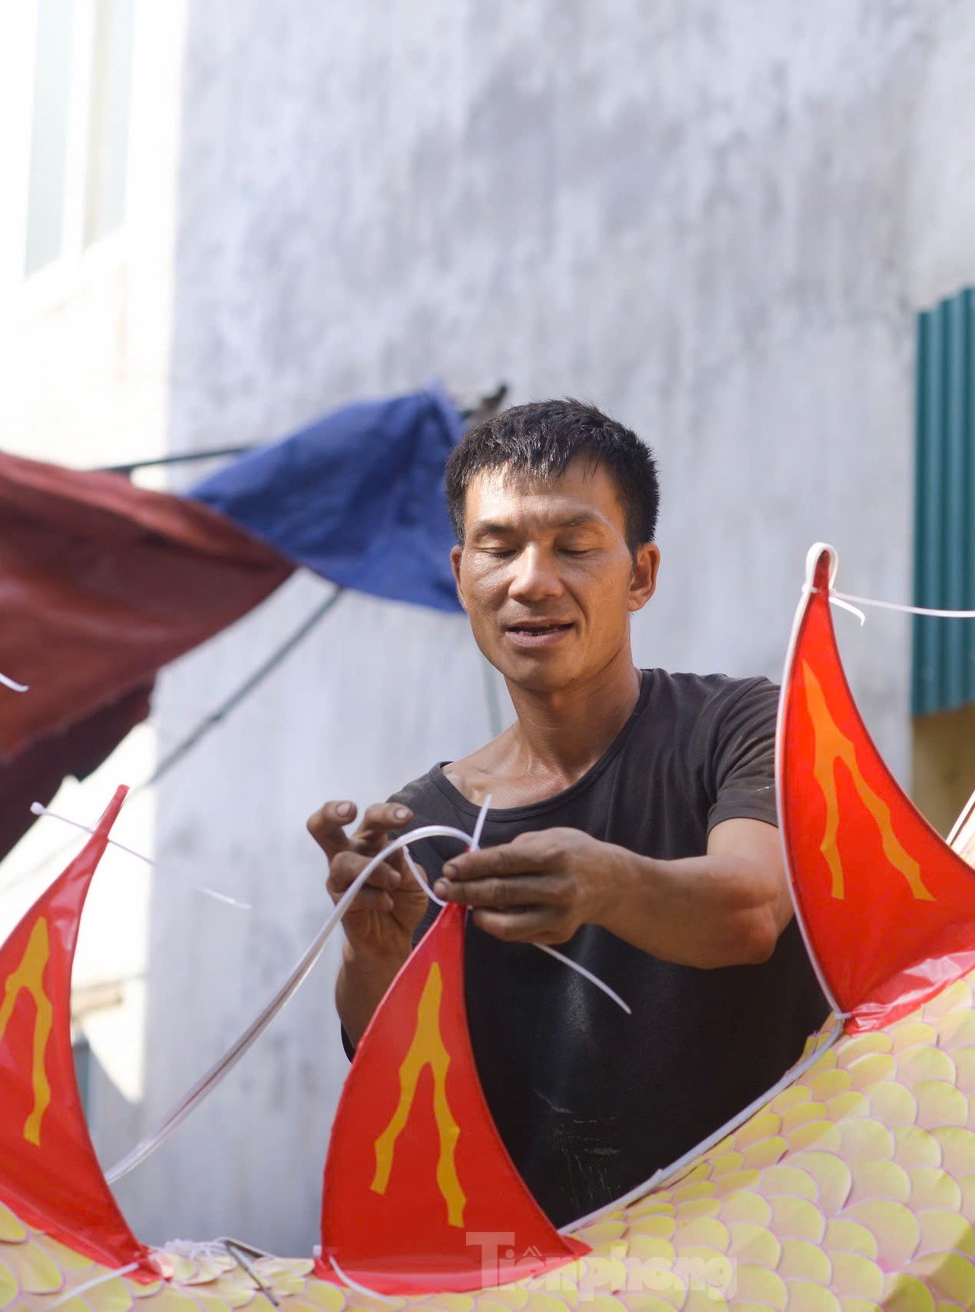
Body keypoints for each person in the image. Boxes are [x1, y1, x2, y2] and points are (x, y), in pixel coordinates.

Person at [307, 399, 827, 1226]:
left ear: (641, 575)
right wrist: (372, 955)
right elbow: (405, 1088)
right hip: (543, 1275)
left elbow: (754, 906)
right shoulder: (419, 826)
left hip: (778, 1248)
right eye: (499, 547)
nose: (531, 581)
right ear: (460, 574)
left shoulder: (740, 725)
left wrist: (607, 886)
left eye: (575, 546)